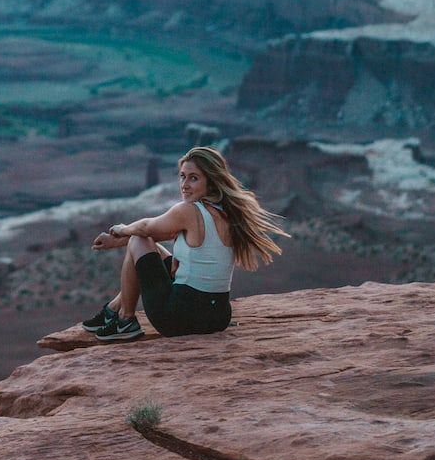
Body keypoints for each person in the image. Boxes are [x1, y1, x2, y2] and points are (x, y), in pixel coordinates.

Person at [82, 146, 289, 341]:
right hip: (218, 317)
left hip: (180, 318)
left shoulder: (188, 211)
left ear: (211, 182)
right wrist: (115, 243)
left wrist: (121, 229)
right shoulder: (227, 214)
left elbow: (145, 228)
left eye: (193, 178)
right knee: (151, 247)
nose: (185, 184)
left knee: (138, 239)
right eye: (182, 176)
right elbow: (159, 235)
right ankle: (112, 309)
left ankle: (125, 321)